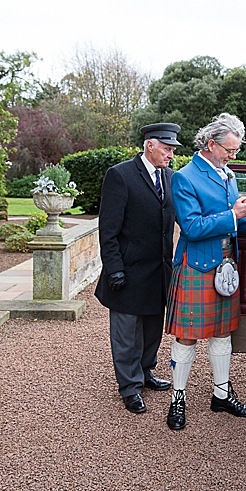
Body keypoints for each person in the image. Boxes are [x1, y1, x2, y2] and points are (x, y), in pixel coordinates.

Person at [165, 112, 246, 430]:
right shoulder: (185, 177)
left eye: (235, 151)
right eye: (230, 149)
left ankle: (221, 395)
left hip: (226, 265)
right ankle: (177, 400)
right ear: (211, 144)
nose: (233, 155)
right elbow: (192, 227)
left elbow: (236, 220)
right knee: (187, 337)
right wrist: (232, 214)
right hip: (196, 265)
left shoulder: (228, 174)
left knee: (223, 332)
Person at [95, 123, 181, 414]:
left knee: (152, 329)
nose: (171, 154)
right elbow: (108, 230)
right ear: (150, 145)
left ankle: (145, 372)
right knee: (126, 334)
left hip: (159, 272)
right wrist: (114, 268)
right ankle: (129, 387)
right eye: (167, 149)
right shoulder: (120, 175)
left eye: (172, 150)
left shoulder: (170, 177)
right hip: (128, 272)